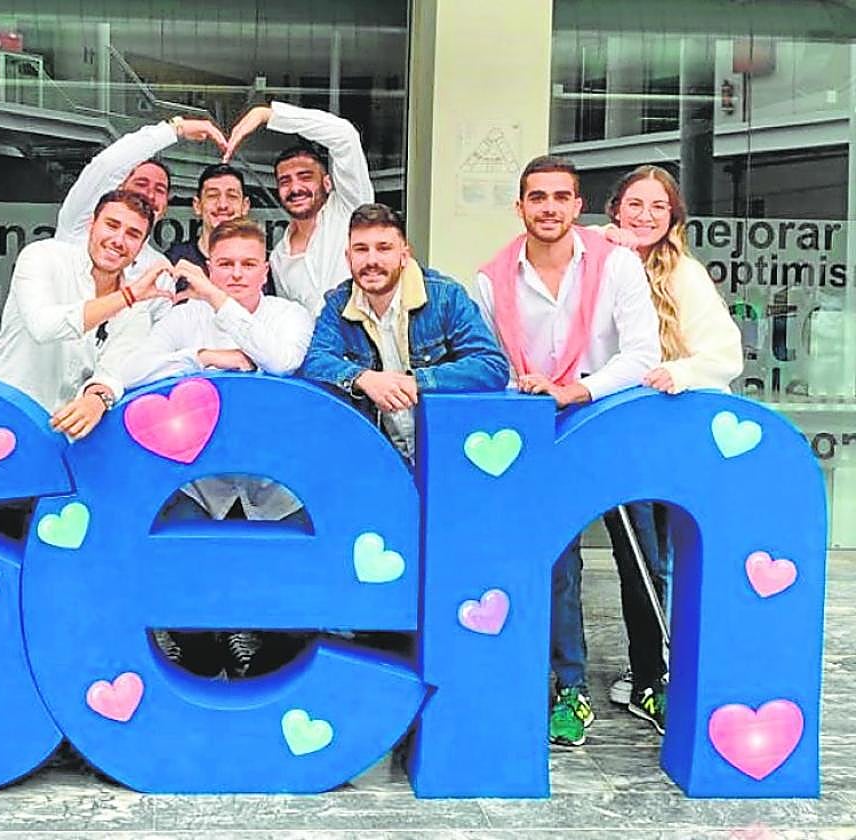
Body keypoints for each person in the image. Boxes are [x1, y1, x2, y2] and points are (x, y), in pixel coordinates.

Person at [473, 155, 662, 747]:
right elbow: (492, 365)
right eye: (537, 197)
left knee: (641, 558)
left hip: (612, 426)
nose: (549, 207)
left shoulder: (616, 263)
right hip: (542, 432)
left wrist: (578, 390)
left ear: (578, 205)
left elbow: (643, 353)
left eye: (560, 197)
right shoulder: (491, 279)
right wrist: (531, 391)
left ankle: (653, 678)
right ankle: (569, 688)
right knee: (558, 564)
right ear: (520, 207)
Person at [112, 218, 314, 679]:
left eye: (247, 264)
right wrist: (200, 358)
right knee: (179, 577)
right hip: (200, 486)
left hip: (275, 490)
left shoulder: (290, 315)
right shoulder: (185, 317)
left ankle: (252, 645)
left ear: (265, 270)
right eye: (225, 265)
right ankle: (196, 648)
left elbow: (281, 361)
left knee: (291, 608)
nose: (236, 273)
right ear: (209, 267)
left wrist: (219, 302)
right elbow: (132, 371)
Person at [600, 164, 744, 709]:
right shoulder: (599, 260)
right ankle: (648, 673)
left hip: (680, 431)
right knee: (637, 557)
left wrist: (678, 372)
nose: (645, 216)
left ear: (673, 217)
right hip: (620, 433)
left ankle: (678, 668)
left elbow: (724, 354)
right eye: (634, 204)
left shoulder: (685, 273)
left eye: (658, 206)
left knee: (678, 557)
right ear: (616, 210)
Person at [0, 190, 172, 537]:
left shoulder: (137, 308)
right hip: (10, 429)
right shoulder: (43, 257)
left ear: (141, 246)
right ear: (91, 224)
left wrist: (97, 397)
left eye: (133, 234)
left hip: (70, 447)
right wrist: (125, 297)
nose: (119, 240)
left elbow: (116, 368)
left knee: (59, 554)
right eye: (112, 225)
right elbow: (44, 326)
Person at [298, 203, 509, 464]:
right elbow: (315, 361)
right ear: (348, 257)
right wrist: (363, 378)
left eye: (384, 248)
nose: (372, 260)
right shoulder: (338, 303)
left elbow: (491, 366)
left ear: (404, 255)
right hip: (380, 456)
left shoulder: (445, 296)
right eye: (361, 249)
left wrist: (416, 381)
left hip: (448, 451)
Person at [224, 102, 375, 315]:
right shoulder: (278, 257)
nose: (295, 188)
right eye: (285, 181)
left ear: (327, 183)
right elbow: (291, 320)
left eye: (305, 177)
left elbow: (344, 135)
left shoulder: (350, 211)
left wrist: (267, 115)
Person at [56, 115, 227, 285]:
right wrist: (175, 129)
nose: (149, 195)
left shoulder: (159, 271)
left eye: (160, 190)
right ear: (119, 188)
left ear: (165, 205)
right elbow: (106, 165)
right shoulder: (80, 227)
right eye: (141, 184)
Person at [163, 164, 251, 272]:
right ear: (197, 205)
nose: (222, 205)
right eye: (212, 196)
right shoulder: (174, 260)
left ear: (245, 206)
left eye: (232, 196)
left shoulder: (258, 261)